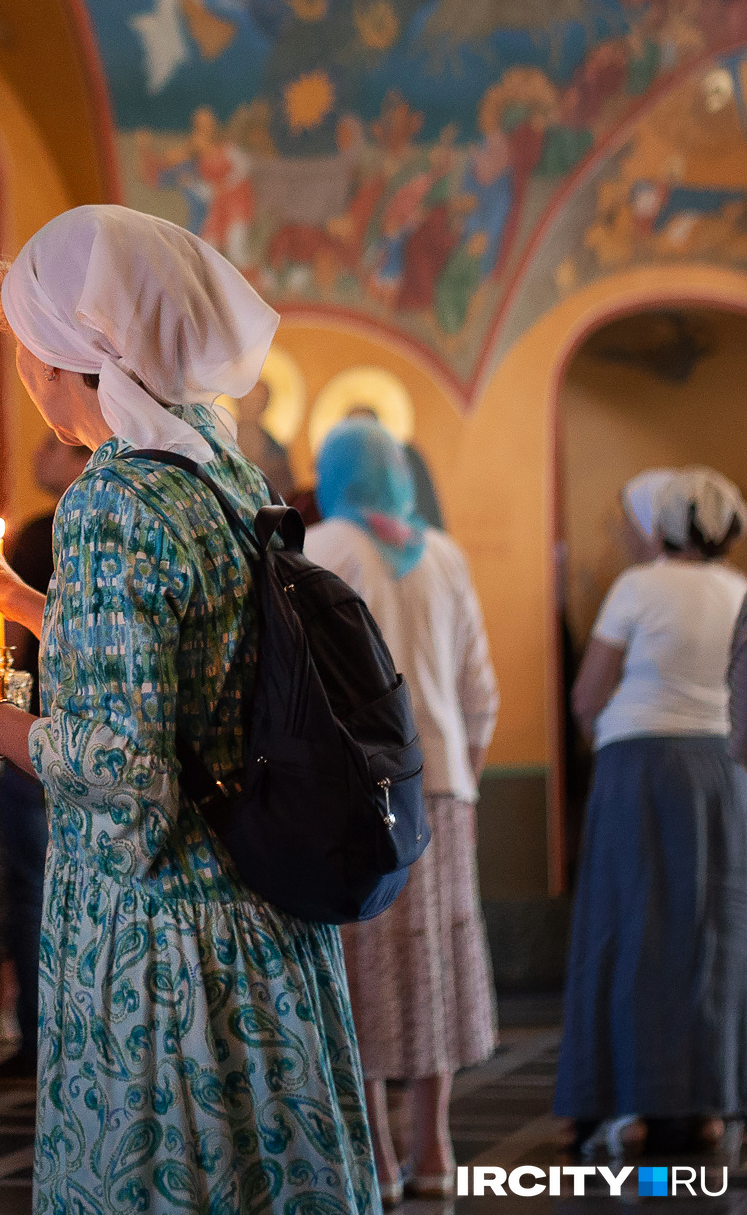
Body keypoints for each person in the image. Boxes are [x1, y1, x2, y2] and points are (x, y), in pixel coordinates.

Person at [0, 206, 377, 1211]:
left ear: (58, 359)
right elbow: (176, 667)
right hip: (259, 919)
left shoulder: (108, 500)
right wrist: (21, 602)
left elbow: (120, 770)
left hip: (160, 948)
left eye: (19, 346)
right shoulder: (215, 468)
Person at [309, 418, 500, 1203]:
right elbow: (480, 692)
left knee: (368, 968)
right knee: (436, 964)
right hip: (445, 790)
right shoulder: (445, 554)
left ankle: (380, 1156)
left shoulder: (322, 549)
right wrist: (459, 776)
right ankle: (435, 1145)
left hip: (361, 793)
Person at [558, 465, 747, 1162]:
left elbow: (587, 694)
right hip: (723, 772)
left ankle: (630, 1107)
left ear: (661, 524)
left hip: (638, 768)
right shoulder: (740, 590)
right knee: (714, 937)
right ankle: (709, 1110)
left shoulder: (638, 587)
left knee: (630, 929)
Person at [0, 430, 89, 1082]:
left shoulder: (49, 530)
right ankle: (61, 1037)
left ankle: (40, 1038)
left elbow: (25, 644)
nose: (38, 454)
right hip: (62, 729)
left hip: (37, 732)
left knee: (33, 891)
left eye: (52, 445)